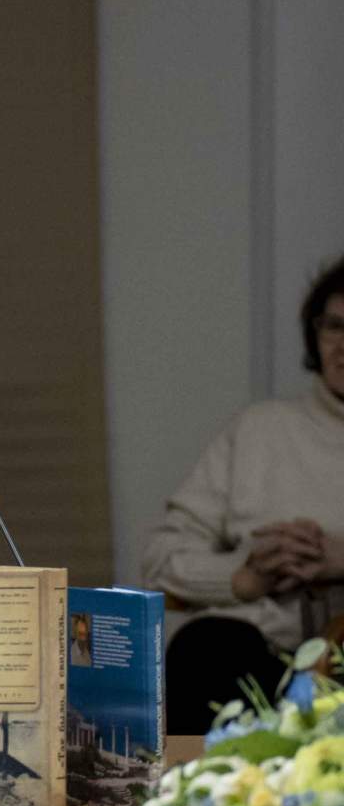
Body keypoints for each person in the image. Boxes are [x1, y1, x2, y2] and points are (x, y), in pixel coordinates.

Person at [143, 256, 344, 734]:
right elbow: (160, 560)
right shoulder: (259, 429)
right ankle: (216, 782)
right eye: (335, 327)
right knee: (205, 648)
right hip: (259, 651)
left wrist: (339, 559)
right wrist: (245, 577)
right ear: (315, 335)